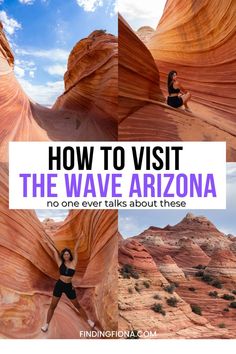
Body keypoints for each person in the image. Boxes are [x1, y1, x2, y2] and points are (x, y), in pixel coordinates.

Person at [41, 236, 95, 332]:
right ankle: (46, 324)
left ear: (70, 255)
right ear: (63, 256)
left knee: (77, 305)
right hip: (60, 285)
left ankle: (89, 321)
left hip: (69, 287)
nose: (66, 256)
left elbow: (75, 250)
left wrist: (79, 240)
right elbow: (54, 252)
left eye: (67, 254)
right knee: (53, 305)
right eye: (65, 254)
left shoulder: (74, 263)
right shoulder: (60, 263)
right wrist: (47, 243)